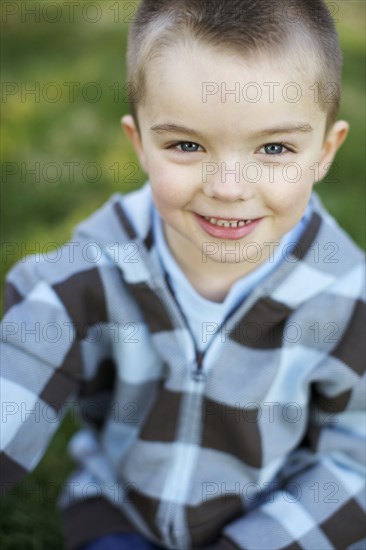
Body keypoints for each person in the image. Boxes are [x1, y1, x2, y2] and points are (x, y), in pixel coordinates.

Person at [1, 1, 365, 549]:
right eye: (187, 145)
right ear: (140, 144)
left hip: (279, 524)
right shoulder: (91, 271)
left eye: (273, 148)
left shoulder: (346, 297)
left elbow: (355, 460)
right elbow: (16, 375)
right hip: (122, 512)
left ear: (324, 151)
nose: (227, 186)